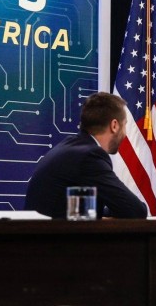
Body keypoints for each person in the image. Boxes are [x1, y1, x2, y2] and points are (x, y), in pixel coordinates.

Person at [24, 91, 148, 219]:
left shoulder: (73, 148)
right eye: (125, 125)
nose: (125, 133)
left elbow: (81, 210)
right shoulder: (90, 156)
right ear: (114, 125)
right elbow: (136, 210)